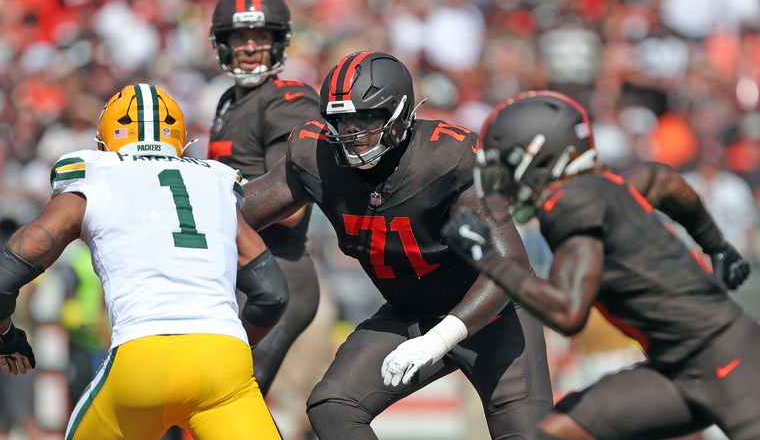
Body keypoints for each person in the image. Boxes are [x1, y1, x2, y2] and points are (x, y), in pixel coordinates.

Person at [242, 51, 553, 440]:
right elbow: (239, 212)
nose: (353, 132)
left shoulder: (448, 157)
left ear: (400, 113)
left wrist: (439, 339)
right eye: (342, 120)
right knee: (334, 406)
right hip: (409, 313)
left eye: (367, 118)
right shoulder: (316, 156)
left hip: (492, 312)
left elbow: (511, 265)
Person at [442, 90, 757, 440]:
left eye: (506, 164)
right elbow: (664, 181)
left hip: (726, 359)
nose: (503, 181)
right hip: (680, 366)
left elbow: (568, 313)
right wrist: (716, 246)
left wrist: (488, 258)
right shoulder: (604, 184)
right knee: (558, 433)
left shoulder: (569, 203)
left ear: (538, 157)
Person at [0, 83, 287, 440]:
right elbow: (272, 293)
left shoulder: (96, 173)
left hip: (142, 358)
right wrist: (221, 346)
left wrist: (1, 337)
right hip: (224, 359)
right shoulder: (215, 179)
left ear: (105, 140)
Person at [208, 0, 322, 396]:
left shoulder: (287, 100)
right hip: (239, 271)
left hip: (277, 272)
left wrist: (204, 211)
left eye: (261, 36)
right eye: (240, 36)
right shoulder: (229, 101)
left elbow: (289, 205)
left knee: (234, 393)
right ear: (223, 42)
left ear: (279, 41)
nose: (251, 47)